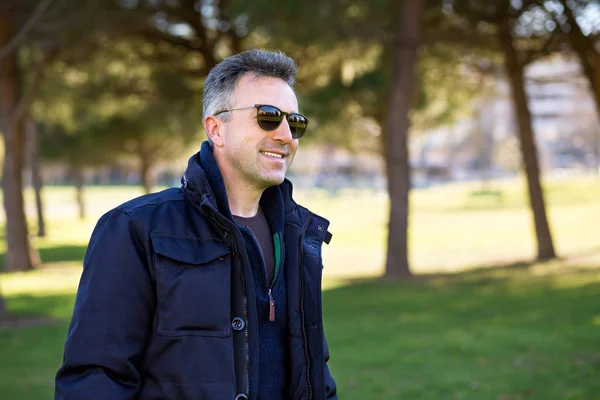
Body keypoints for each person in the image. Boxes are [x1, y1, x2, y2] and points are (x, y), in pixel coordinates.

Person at [55, 49, 338, 400]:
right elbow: (95, 378)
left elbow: (313, 368)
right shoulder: (135, 228)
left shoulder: (300, 234)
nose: (286, 135)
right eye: (268, 116)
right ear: (216, 129)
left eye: (295, 123)